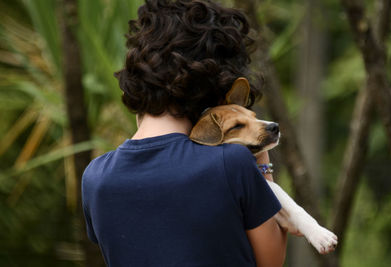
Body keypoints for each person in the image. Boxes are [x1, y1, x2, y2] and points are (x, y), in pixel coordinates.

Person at [82, 0, 287, 266]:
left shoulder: (95, 178)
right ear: (216, 80)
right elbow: (270, 261)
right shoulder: (231, 162)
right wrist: (261, 160)